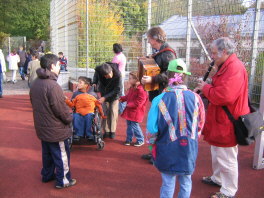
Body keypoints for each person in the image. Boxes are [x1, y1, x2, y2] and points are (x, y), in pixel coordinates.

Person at [195, 37, 250, 198]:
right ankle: (218, 178)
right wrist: (206, 89)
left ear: (224, 52)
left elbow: (224, 96)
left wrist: (205, 88)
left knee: (226, 156)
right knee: (217, 151)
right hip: (221, 118)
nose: (211, 56)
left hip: (228, 120)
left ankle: (228, 190)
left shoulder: (234, 68)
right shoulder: (227, 65)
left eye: (213, 53)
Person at [147, 58, 205, 198]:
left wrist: (151, 145)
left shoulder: (159, 99)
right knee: (186, 180)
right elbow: (200, 124)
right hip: (189, 147)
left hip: (167, 146)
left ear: (167, 76)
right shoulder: (196, 98)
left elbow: (152, 129)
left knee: (168, 182)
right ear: (185, 76)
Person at [30, 54, 76, 189]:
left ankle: (47, 175)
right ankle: (63, 180)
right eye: (58, 64)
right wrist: (69, 118)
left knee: (47, 153)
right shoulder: (53, 86)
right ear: (52, 66)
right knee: (61, 154)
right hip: (56, 129)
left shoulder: (36, 83)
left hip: (43, 126)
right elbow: (60, 109)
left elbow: (34, 102)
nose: (59, 66)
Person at [141, 26, 177, 162]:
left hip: (164, 93)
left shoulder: (168, 53)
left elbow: (170, 74)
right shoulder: (158, 52)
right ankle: (155, 151)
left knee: (162, 123)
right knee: (156, 122)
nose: (149, 42)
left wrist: (152, 79)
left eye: (149, 39)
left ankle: (160, 153)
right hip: (157, 93)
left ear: (155, 38)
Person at [93, 62, 122, 139]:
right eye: (106, 76)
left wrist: (105, 97)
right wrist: (94, 82)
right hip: (104, 91)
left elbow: (117, 89)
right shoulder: (99, 69)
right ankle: (106, 130)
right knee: (105, 111)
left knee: (113, 111)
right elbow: (96, 73)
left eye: (110, 74)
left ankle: (112, 131)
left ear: (111, 70)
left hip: (114, 94)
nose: (109, 76)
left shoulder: (118, 75)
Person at [120, 71, 148, 147]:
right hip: (130, 111)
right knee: (129, 125)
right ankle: (129, 139)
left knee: (135, 126)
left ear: (137, 79)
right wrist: (122, 99)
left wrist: (129, 104)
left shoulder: (141, 90)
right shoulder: (133, 88)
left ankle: (140, 139)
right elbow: (128, 96)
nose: (129, 80)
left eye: (131, 78)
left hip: (136, 112)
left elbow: (140, 102)